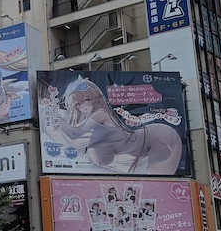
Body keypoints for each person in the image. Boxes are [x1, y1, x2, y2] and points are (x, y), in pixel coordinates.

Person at [40, 75, 183, 175]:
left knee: (157, 184)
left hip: (157, 139)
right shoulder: (90, 120)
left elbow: (74, 136)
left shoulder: (100, 113)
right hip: (135, 157)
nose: (82, 106)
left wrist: (51, 110)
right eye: (77, 104)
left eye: (86, 100)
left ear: (95, 97)